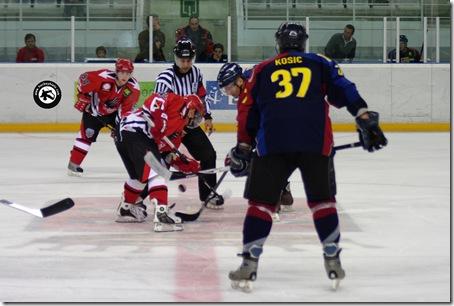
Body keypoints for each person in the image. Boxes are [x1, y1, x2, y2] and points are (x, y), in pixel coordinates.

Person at [225, 22, 387, 292]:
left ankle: (249, 261)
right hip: (315, 141)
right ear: (303, 42)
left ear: (278, 43)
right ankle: (332, 255)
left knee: (261, 204)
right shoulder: (319, 62)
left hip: (273, 142)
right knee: (323, 202)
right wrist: (363, 115)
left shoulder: (261, 70)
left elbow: (247, 110)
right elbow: (344, 88)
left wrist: (244, 145)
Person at [115, 92, 205, 232]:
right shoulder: (176, 101)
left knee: (139, 177)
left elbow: (167, 153)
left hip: (128, 136)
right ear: (192, 109)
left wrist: (186, 164)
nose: (195, 119)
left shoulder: (178, 129)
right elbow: (156, 100)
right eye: (197, 114)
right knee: (157, 173)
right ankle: (161, 214)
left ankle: (125, 209)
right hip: (135, 129)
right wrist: (160, 121)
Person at [216, 62, 294, 217]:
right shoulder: (253, 74)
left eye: (229, 88)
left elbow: (246, 130)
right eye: (225, 90)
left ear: (239, 81)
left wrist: (238, 154)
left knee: (254, 162)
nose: (229, 93)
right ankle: (284, 191)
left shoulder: (246, 100)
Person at [153, 38, 223, 209]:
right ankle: (141, 198)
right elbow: (157, 108)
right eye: (182, 60)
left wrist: (207, 116)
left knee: (208, 155)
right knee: (161, 164)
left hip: (189, 125)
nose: (185, 64)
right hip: (169, 128)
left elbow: (201, 96)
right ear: (176, 58)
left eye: (188, 60)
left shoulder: (196, 73)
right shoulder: (165, 78)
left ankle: (207, 194)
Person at [67, 58, 140, 176]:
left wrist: (120, 127)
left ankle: (137, 165)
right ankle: (74, 164)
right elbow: (83, 79)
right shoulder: (104, 76)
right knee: (87, 135)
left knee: (125, 136)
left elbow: (126, 111)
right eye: (122, 72)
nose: (124, 76)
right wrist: (83, 96)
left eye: (128, 73)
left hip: (113, 114)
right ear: (116, 71)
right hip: (93, 112)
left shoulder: (133, 87)